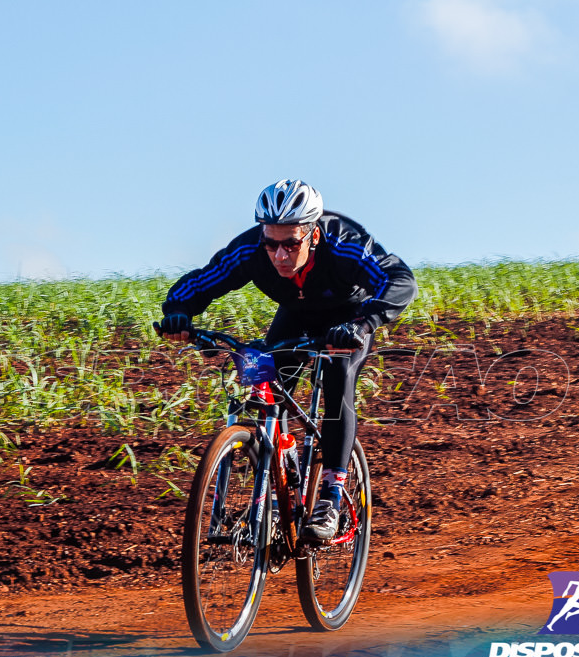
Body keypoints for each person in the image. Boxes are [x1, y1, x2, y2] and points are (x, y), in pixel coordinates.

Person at [158, 179, 417, 540]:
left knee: (337, 374)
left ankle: (331, 495)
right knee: (265, 380)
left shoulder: (344, 244)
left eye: (290, 243)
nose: (279, 255)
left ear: (312, 235)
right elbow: (200, 283)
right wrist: (178, 314)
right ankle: (284, 468)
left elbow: (400, 279)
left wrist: (365, 322)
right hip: (296, 313)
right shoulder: (250, 249)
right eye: (271, 243)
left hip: (349, 318)